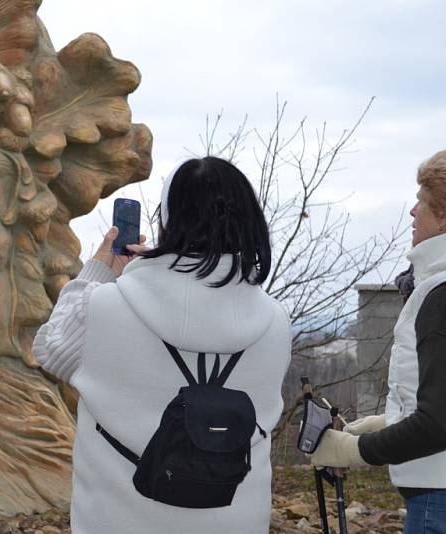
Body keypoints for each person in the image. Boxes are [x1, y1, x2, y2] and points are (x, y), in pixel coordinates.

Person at [33, 156, 291, 533]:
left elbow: (50, 350)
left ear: (166, 221)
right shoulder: (276, 321)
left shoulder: (105, 305)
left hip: (118, 519)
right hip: (236, 518)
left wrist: (100, 271)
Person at [310, 149, 446, 533]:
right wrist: (380, 425)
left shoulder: (440, 294)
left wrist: (351, 451)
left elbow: (438, 424)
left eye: (421, 202)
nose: (412, 212)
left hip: (437, 497)